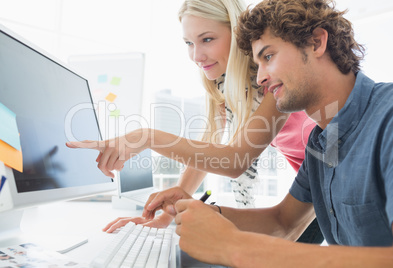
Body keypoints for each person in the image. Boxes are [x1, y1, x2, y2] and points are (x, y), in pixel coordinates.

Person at [139, 0, 393, 266]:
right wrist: (200, 212)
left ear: (316, 43)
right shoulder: (322, 144)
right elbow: (282, 222)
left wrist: (234, 246)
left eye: (268, 57)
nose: (261, 78)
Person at [67, 0, 322, 243]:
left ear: (237, 34)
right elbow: (208, 146)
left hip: (331, 174)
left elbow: (235, 160)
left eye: (207, 39)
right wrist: (165, 214)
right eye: (189, 43)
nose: (196, 55)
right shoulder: (222, 82)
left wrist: (147, 137)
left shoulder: (273, 76)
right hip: (310, 181)